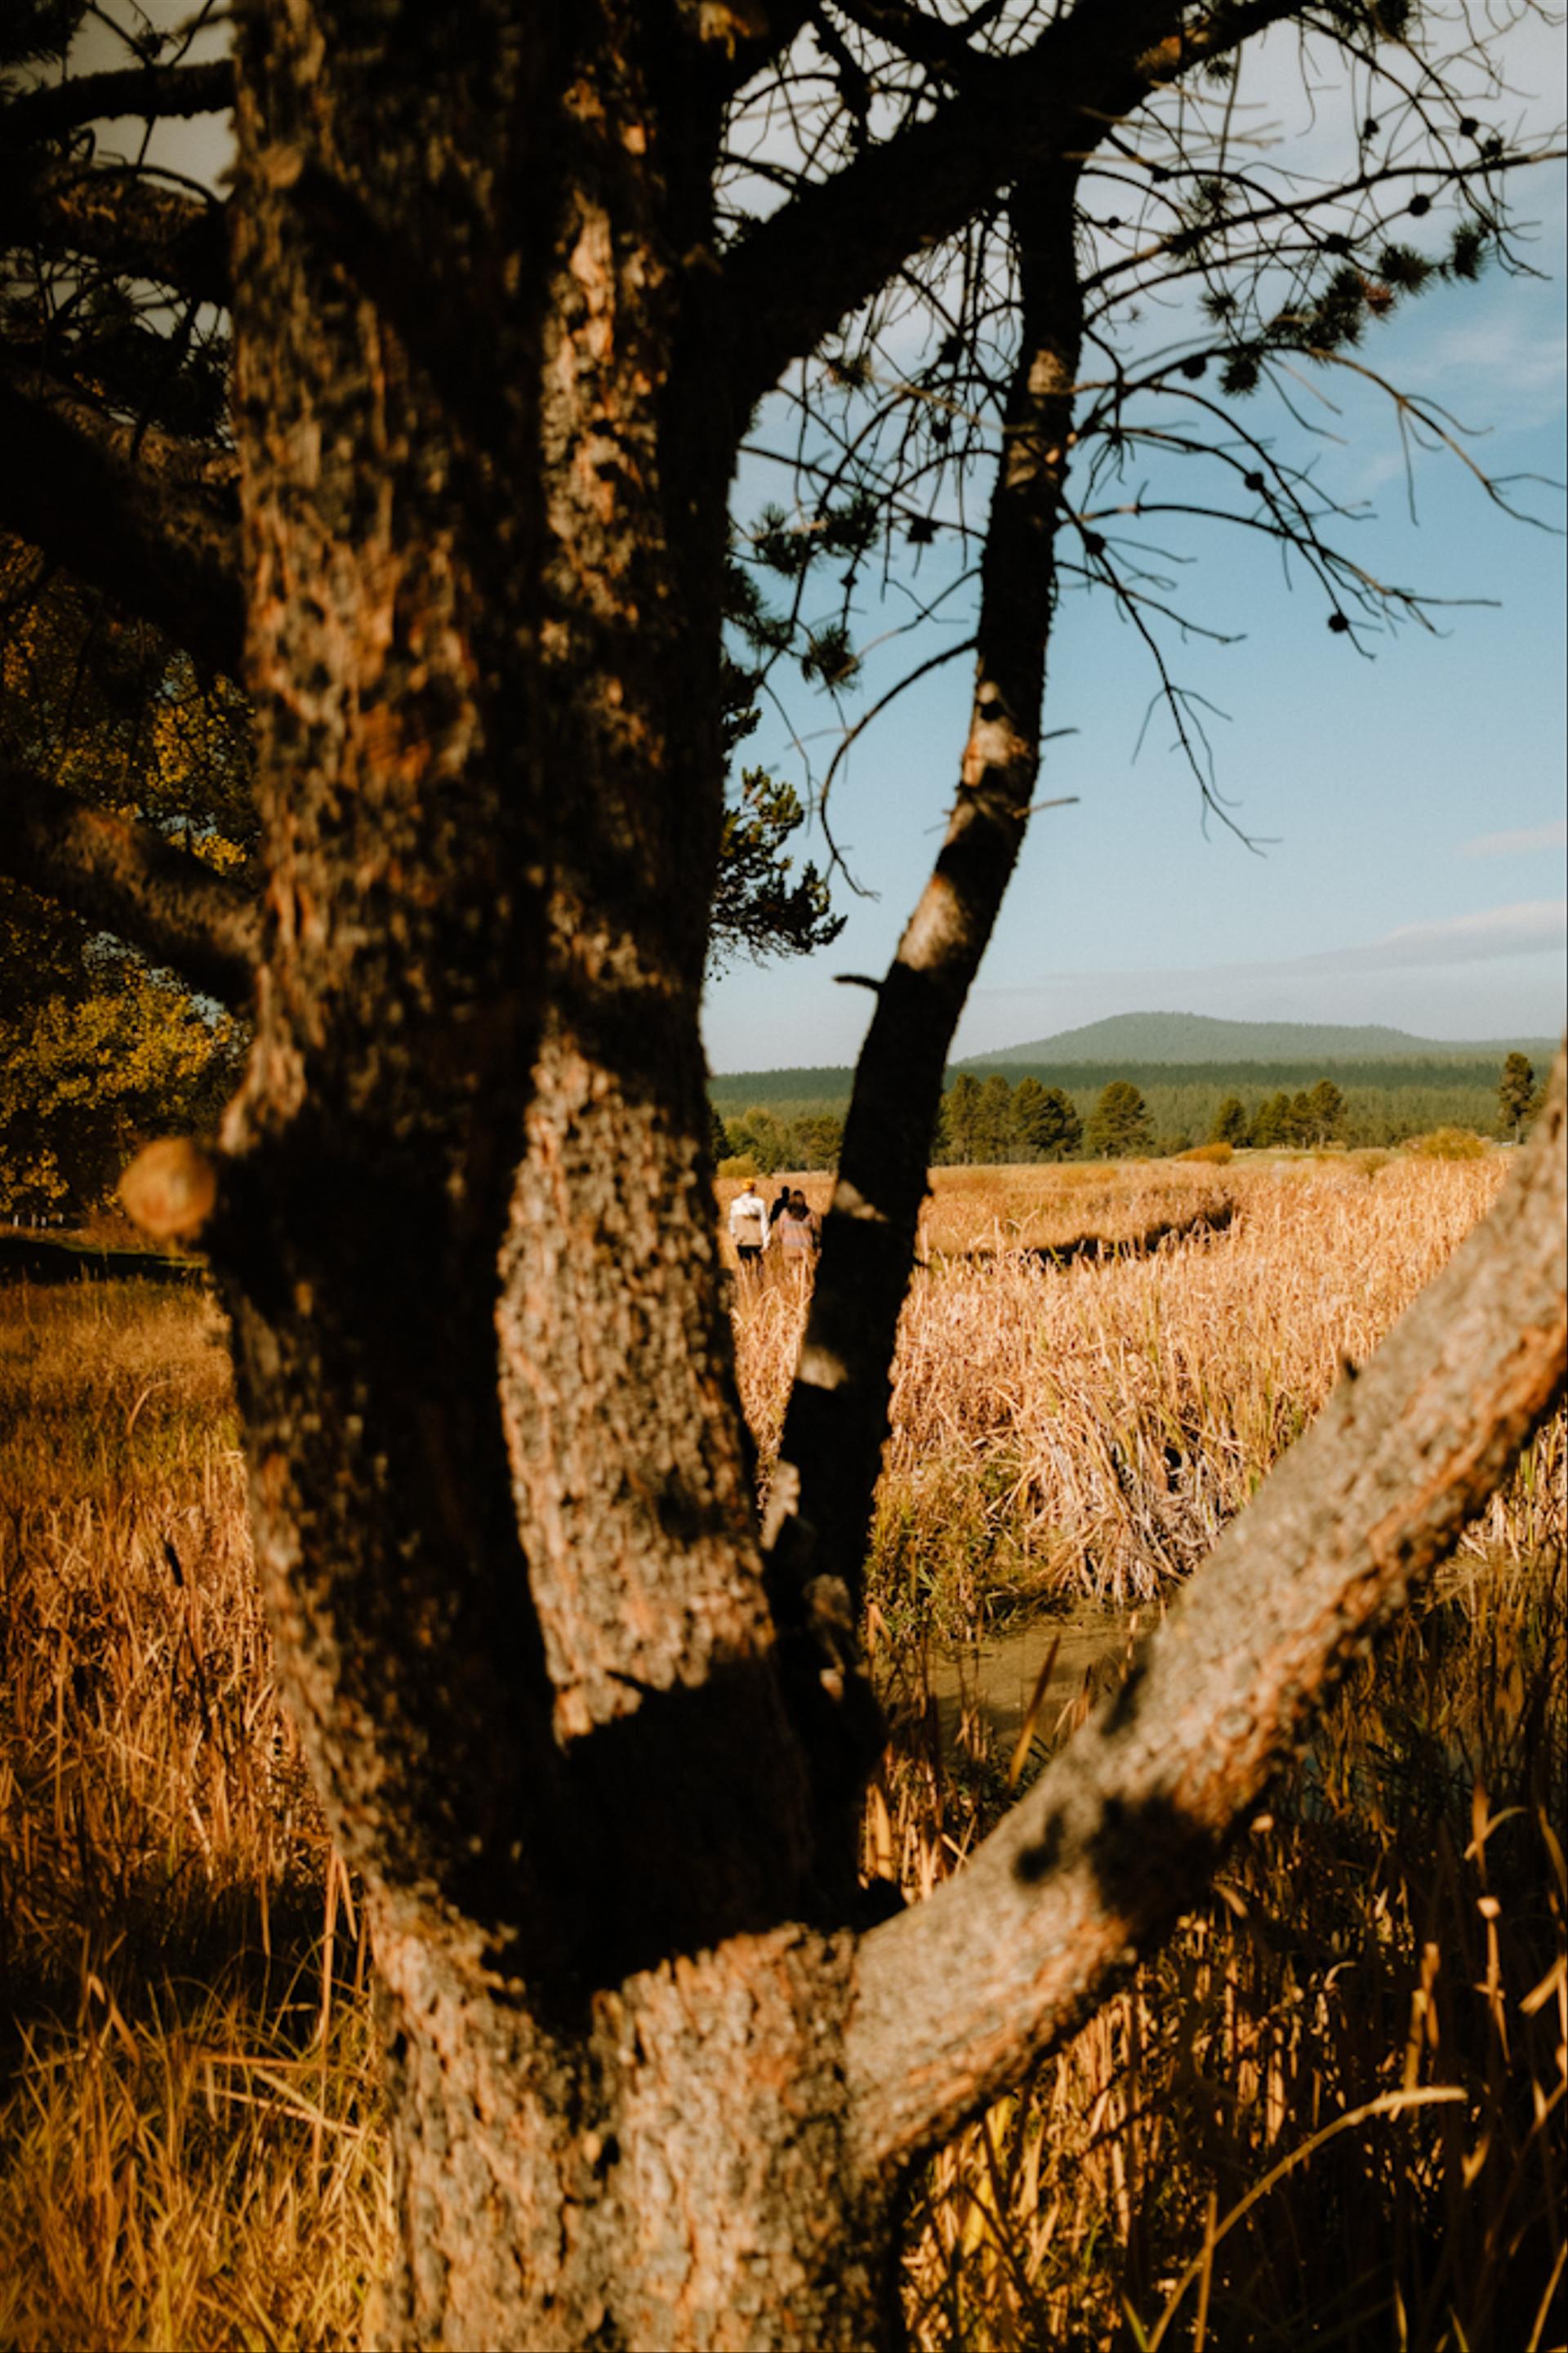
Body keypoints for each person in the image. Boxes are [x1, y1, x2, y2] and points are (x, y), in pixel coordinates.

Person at [728, 1179, 769, 1270]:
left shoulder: (735, 1203)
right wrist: (766, 1241)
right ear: (754, 1189)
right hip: (757, 1240)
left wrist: (735, 1236)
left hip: (741, 1240)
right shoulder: (760, 1203)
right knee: (759, 1265)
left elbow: (731, 1223)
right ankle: (759, 1284)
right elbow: (765, 1223)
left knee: (744, 1265)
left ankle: (746, 1282)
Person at [774, 1188, 821, 1266]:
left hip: (789, 1250)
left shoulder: (784, 1214)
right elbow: (817, 1233)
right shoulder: (811, 1214)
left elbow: (780, 1232)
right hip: (806, 1250)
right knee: (806, 1276)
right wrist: (817, 1247)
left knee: (792, 1275)